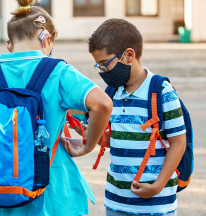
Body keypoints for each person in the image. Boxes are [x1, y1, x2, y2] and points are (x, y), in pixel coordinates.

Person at [0, 0, 112, 215]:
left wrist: (3, 173)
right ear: (46, 39)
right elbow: (103, 104)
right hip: (55, 197)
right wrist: (88, 145)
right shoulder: (58, 73)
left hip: (3, 200)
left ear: (9, 45)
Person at [61, 19, 187, 216]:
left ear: (129, 55)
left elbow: (178, 143)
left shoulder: (162, 91)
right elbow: (119, 138)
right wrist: (90, 137)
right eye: (98, 66)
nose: (102, 71)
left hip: (156, 205)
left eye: (104, 64)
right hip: (115, 202)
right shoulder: (112, 93)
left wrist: (157, 186)